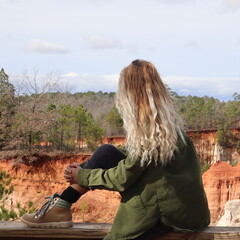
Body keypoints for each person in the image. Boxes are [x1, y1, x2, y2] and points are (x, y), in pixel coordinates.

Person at [21, 59, 211, 240]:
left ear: (130, 95)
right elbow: (138, 162)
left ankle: (60, 207)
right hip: (190, 212)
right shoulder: (170, 129)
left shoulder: (149, 133)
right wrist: (82, 171)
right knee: (106, 152)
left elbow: (123, 178)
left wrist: (83, 176)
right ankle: (61, 207)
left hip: (166, 216)